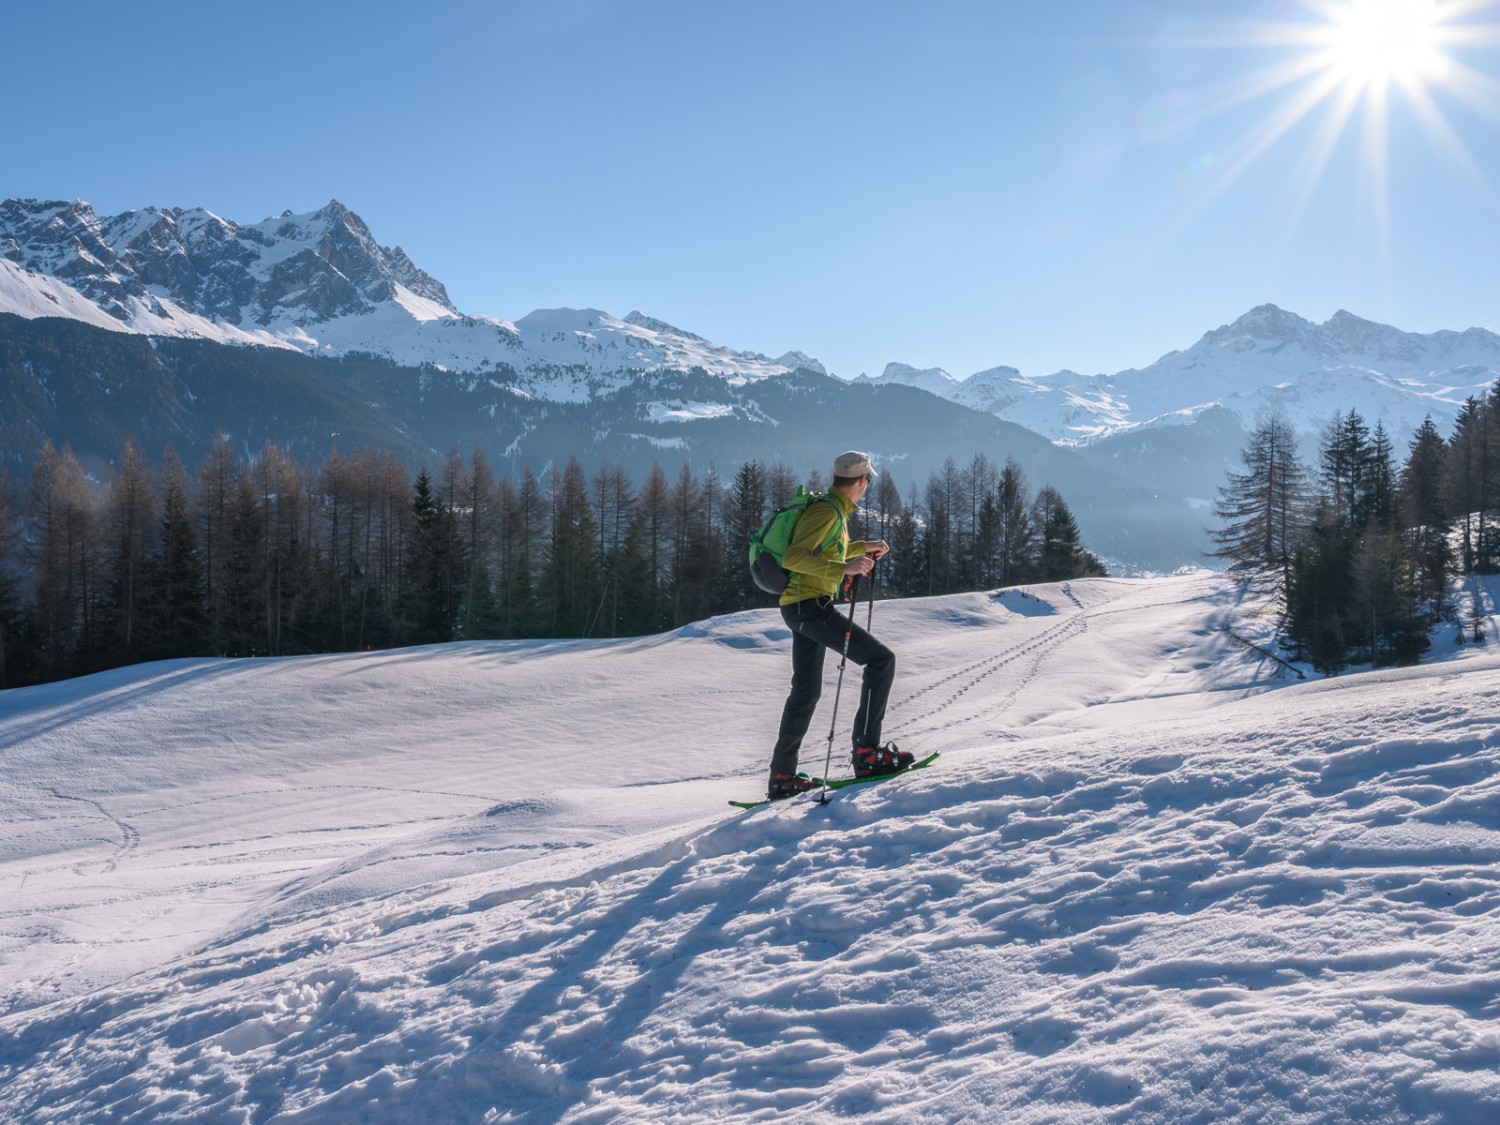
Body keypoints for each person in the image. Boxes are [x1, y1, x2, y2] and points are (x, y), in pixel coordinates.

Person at [767, 450, 914, 800]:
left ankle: (782, 778)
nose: (867, 487)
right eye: (868, 481)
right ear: (862, 481)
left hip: (801, 606)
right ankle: (867, 753)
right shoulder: (826, 511)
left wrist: (863, 546)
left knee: (805, 691)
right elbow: (795, 557)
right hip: (809, 607)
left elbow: (826, 551)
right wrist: (843, 570)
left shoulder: (832, 509)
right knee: (881, 660)